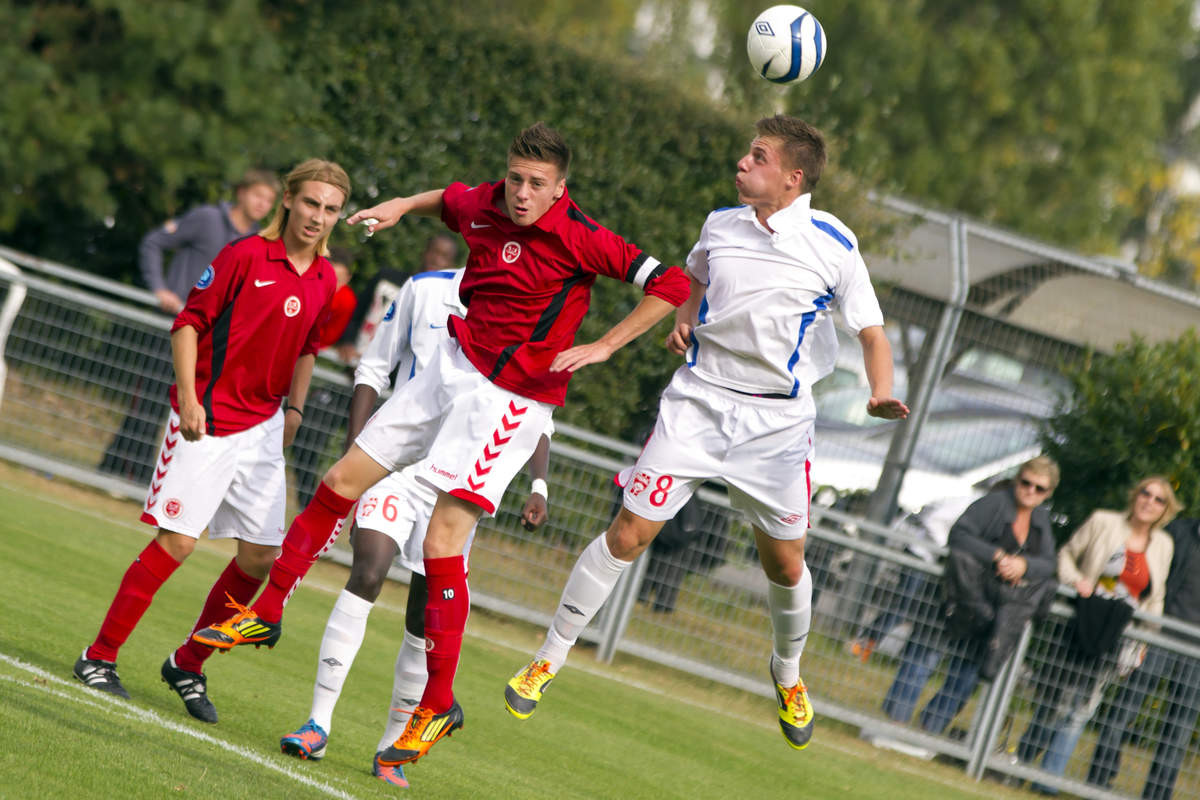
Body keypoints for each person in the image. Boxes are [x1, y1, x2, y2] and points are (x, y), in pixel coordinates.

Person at [191, 122, 692, 767]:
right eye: (515, 178)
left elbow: (673, 284)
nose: (520, 193)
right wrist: (400, 206)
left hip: (510, 399)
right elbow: (447, 199)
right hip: (450, 368)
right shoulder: (483, 202)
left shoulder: (582, 236)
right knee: (342, 479)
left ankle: (438, 702)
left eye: (537, 184)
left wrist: (602, 347)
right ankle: (267, 611)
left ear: (560, 188)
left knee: (440, 544)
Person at [503, 115, 909, 753]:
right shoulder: (721, 224)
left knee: (785, 563)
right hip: (699, 401)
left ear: (793, 177)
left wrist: (881, 391)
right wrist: (686, 318)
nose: (744, 163)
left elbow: (871, 332)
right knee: (628, 534)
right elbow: (692, 279)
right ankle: (549, 657)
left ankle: (787, 674)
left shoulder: (834, 242)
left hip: (777, 424)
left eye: (759, 156)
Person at [73, 159, 350, 724]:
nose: (318, 217)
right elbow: (188, 325)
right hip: (208, 421)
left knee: (260, 558)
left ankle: (188, 662)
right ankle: (98, 657)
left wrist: (294, 408)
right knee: (177, 544)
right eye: (310, 203)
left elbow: (307, 350)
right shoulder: (244, 255)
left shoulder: (325, 279)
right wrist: (189, 399)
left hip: (266, 430)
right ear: (289, 202)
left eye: (330, 209)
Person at [278, 264, 554, 787]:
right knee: (367, 571)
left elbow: (538, 415)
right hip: (395, 464)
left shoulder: (531, 309)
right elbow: (372, 368)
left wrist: (538, 485)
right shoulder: (424, 289)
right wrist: (362, 449)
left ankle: (391, 749)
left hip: (456, 488)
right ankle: (317, 722)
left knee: (422, 619)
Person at [98, 170, 281, 484]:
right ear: (241, 192)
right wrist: (160, 288)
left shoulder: (257, 240)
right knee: (150, 400)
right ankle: (126, 472)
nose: (262, 204)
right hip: (175, 329)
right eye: (257, 195)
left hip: (210, 343)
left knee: (184, 408)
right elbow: (154, 242)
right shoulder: (207, 218)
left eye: (269, 200)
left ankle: (123, 471)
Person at [1017, 476, 1177, 793]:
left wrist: (1146, 637)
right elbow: (1066, 555)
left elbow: (1155, 597)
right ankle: (1018, 762)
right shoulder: (1103, 521)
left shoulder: (1163, 545)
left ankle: (1047, 781)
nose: (1150, 502)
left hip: (1118, 636)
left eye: (1159, 499)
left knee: (1083, 709)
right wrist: (1077, 581)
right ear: (1135, 496)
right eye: (1145, 493)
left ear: (1165, 509)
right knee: (1056, 703)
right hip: (1082, 624)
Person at [881, 457, 1060, 734]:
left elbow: (1049, 564)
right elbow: (960, 536)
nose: (1030, 491)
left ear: (1047, 493)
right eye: (1026, 483)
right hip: (956, 595)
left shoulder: (1040, 519)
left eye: (1039, 488)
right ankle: (893, 724)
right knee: (924, 656)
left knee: (966, 674)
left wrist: (1023, 565)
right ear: (1017, 481)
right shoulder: (994, 504)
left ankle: (930, 730)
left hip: (992, 609)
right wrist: (997, 556)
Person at [1087, 514, 1200, 800]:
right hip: (1158, 633)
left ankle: (1157, 795)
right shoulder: (1180, 530)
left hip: (1196, 653)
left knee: (1180, 727)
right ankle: (1098, 781)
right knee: (1124, 708)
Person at [290, 245, 359, 507]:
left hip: (315, 376)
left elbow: (325, 337)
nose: (336, 284)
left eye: (341, 279)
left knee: (308, 444)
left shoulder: (345, 300)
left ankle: (309, 506)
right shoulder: (309, 287)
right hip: (292, 371)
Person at [334, 233, 461, 365]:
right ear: (424, 252)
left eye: (444, 256)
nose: (436, 259)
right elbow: (356, 313)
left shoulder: (443, 305)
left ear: (451, 265)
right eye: (434, 252)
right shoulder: (385, 278)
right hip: (352, 361)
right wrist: (347, 342)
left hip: (391, 379)